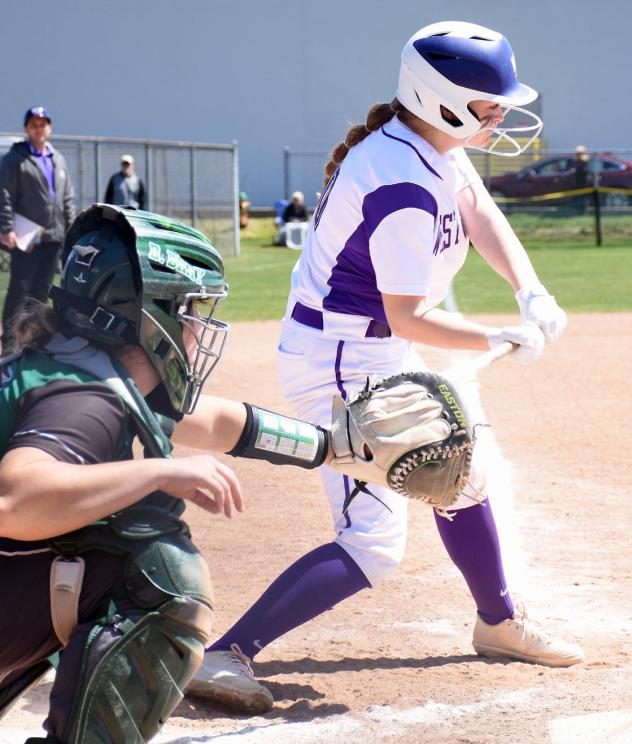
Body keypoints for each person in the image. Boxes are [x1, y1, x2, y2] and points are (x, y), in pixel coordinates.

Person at [185, 20, 583, 716]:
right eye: (489, 105)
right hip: (338, 362)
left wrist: (530, 288)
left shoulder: (432, 147)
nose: (501, 116)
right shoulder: (400, 179)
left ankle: (497, 622)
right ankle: (227, 651)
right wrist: (496, 337)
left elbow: (479, 211)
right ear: (443, 102)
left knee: (463, 466)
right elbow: (409, 318)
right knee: (373, 543)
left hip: (369, 349)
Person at [0, 203, 430, 742]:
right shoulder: (84, 399)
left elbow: (218, 423)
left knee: (102, 532)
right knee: (154, 568)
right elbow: (17, 501)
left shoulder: (79, 360)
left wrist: (332, 449)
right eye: (191, 310)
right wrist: (157, 473)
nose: (200, 328)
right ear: (148, 312)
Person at [0, 106, 76, 354]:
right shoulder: (15, 159)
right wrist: (6, 228)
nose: (39, 127)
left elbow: (67, 199)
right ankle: (11, 347)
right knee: (20, 291)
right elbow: (5, 196)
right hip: (26, 237)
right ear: (26, 128)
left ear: (49, 127)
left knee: (42, 292)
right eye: (34, 123)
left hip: (54, 237)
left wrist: (73, 229)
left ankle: (34, 343)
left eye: (43, 123)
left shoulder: (58, 158)